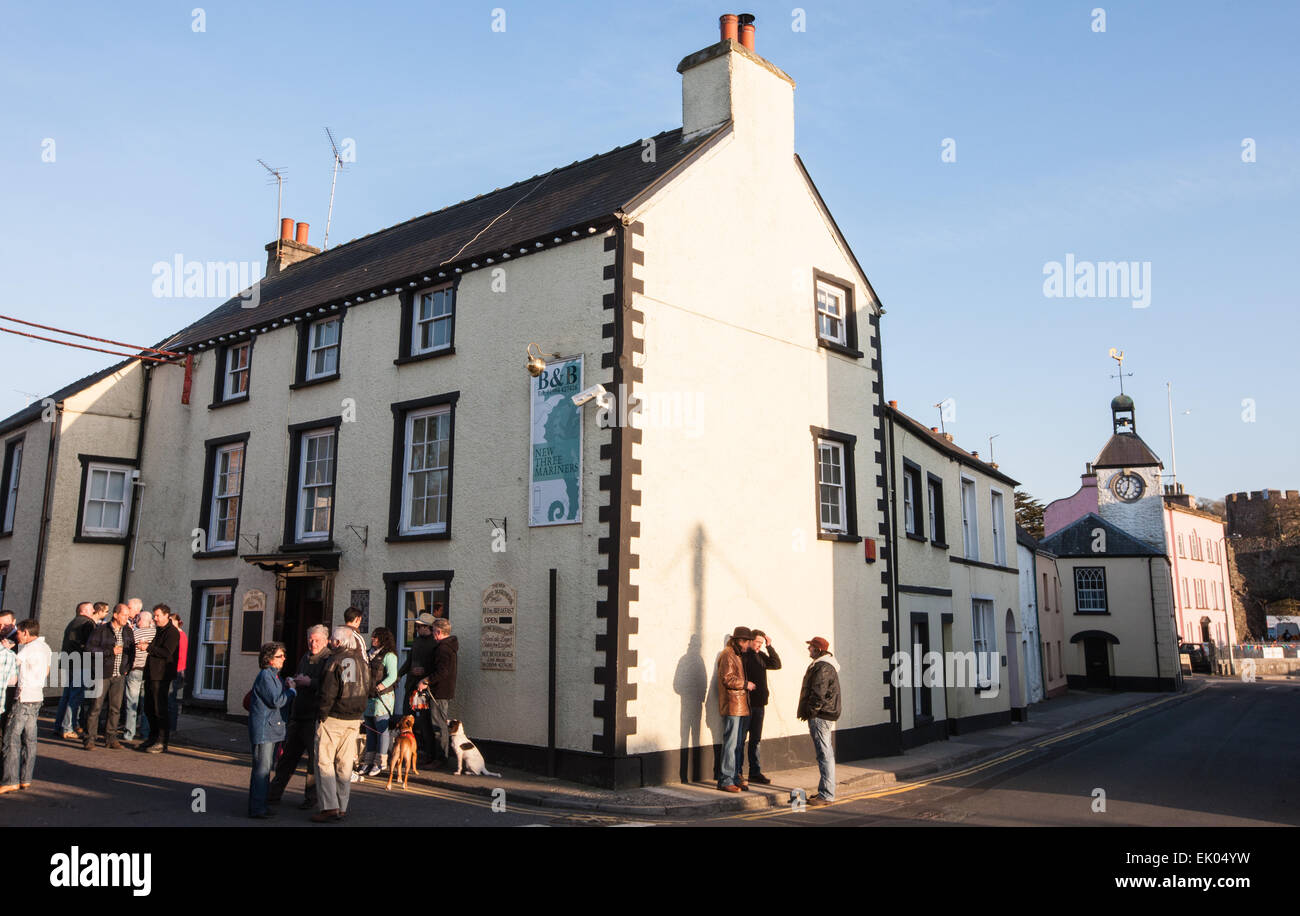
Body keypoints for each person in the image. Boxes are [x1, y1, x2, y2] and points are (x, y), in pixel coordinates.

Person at [268, 625, 330, 809]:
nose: (313, 643)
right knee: (287, 758)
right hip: (298, 714)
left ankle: (311, 799)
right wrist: (293, 680)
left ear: (326, 641)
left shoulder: (328, 658)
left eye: (317, 640)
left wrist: (310, 682)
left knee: (313, 762)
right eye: (310, 639)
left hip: (314, 716)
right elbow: (300, 676)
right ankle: (273, 794)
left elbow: (329, 685)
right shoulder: (305, 656)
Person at [312, 626, 368, 822]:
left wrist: (321, 714)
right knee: (345, 764)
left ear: (337, 642)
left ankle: (329, 806)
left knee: (324, 762)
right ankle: (342, 806)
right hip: (354, 717)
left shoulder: (334, 660)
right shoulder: (362, 660)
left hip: (334, 716)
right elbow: (367, 687)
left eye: (332, 641)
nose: (330, 643)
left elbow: (328, 692)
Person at [0, 620, 53, 794]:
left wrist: (5, 649)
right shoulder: (45, 647)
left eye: (19, 633)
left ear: (26, 633)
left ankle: (10, 780)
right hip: (37, 696)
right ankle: (25, 778)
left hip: (23, 698)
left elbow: (11, 667)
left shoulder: (28, 649)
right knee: (30, 740)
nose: (17, 636)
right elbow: (46, 670)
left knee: (10, 739)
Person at [248, 642, 294, 818]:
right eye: (279, 656)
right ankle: (257, 808)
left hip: (272, 729)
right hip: (264, 731)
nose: (284, 659)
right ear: (269, 659)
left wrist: (288, 685)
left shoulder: (275, 676)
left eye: (283, 655)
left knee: (266, 769)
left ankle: (261, 805)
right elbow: (276, 701)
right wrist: (292, 692)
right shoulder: (266, 676)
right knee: (261, 770)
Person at [82, 604, 135, 750]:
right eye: (124, 615)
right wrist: (110, 651)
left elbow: (132, 652)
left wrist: (127, 668)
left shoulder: (128, 632)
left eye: (128, 615)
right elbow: (89, 649)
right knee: (96, 707)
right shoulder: (101, 630)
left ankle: (111, 738)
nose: (127, 618)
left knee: (115, 708)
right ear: (116, 615)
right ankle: (90, 739)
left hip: (119, 675)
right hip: (102, 674)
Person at [797, 636, 841, 807]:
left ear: (818, 649)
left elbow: (818, 693)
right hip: (823, 714)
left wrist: (811, 712)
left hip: (821, 716)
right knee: (825, 754)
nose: (809, 649)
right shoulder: (823, 665)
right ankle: (825, 791)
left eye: (811, 647)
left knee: (825, 755)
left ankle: (827, 795)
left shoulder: (823, 667)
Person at [715, 626, 754, 792]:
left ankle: (733, 776)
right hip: (733, 705)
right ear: (740, 641)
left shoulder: (735, 654)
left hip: (739, 706)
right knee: (731, 744)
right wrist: (746, 684)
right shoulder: (728, 654)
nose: (747, 646)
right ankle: (725, 780)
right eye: (746, 642)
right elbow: (727, 679)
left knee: (737, 744)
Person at [415, 617, 458, 767]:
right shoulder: (446, 647)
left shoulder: (443, 649)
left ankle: (440, 758)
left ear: (439, 632)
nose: (432, 634)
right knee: (431, 724)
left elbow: (442, 672)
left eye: (433, 631)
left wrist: (426, 681)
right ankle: (431, 756)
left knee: (438, 725)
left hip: (439, 692)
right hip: (439, 691)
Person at [139, 604, 180, 753]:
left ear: (166, 615)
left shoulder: (172, 632)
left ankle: (162, 741)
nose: (155, 618)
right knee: (149, 708)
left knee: (159, 708)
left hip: (162, 675)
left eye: (157, 615)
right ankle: (153, 737)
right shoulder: (158, 630)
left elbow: (167, 652)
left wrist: (147, 648)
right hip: (152, 673)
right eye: (154, 615)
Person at [742, 629, 781, 784]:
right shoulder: (744, 656)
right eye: (757, 642)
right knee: (741, 739)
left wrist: (769, 646)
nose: (759, 645)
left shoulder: (761, 656)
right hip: (746, 704)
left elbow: (776, 664)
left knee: (755, 740)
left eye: (761, 643)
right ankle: (737, 772)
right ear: (750, 641)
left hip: (759, 704)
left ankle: (754, 772)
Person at [397, 613, 438, 761]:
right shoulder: (416, 641)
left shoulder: (435, 643)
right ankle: (409, 749)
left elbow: (437, 667)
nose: (417, 628)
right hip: (411, 685)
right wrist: (400, 674)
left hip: (424, 689)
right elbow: (409, 661)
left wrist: (424, 672)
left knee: (425, 721)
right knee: (407, 717)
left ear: (427, 627)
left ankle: (427, 753)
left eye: (420, 626)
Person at [54, 602, 97, 740]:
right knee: (75, 697)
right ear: (84, 611)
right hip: (80, 663)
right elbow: (91, 644)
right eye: (91, 609)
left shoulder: (72, 622)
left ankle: (59, 726)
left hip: (69, 661)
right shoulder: (88, 623)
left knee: (66, 696)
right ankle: (68, 728)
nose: (94, 611)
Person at [360, 627, 398, 776]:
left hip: (382, 698)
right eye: (373, 637)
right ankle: (368, 761)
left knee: (381, 729)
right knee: (370, 730)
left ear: (383, 639)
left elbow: (392, 675)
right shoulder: (367, 654)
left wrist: (380, 686)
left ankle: (380, 763)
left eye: (376, 637)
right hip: (368, 697)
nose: (373, 639)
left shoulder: (389, 656)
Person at [121, 607, 153, 744]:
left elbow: (126, 651)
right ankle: (145, 733)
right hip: (149, 671)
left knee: (131, 702)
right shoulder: (156, 633)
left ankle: (129, 733)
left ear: (139, 620)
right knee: (147, 703)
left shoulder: (134, 633)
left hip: (135, 670)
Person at [168, 614, 187, 734]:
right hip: (178, 670)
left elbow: (178, 655)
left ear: (177, 622)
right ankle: (170, 727)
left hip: (176, 670)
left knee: (171, 700)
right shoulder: (180, 634)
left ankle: (171, 728)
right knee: (172, 700)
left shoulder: (179, 635)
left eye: (171, 621)